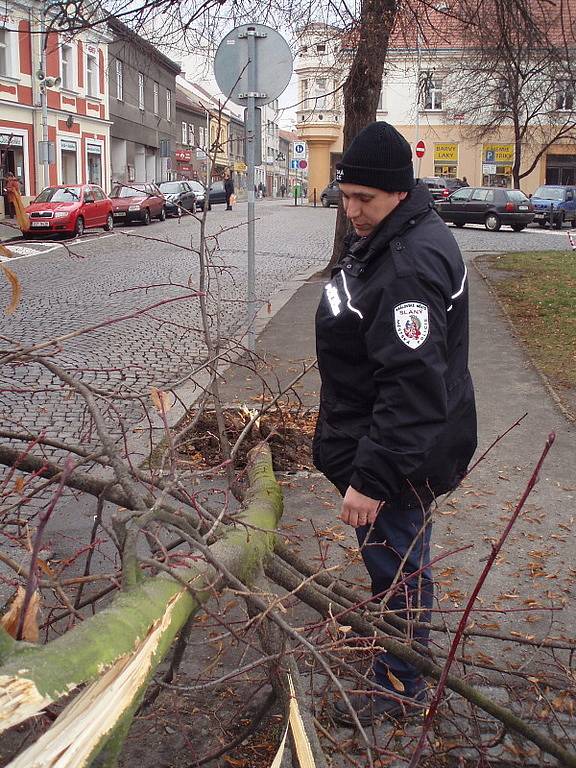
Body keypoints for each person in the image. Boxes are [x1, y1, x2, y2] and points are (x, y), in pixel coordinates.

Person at [313, 121, 477, 726]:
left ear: (399, 195)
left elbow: (411, 392)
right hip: (391, 446)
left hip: (397, 460)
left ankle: (398, 690)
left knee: (399, 571)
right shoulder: (395, 235)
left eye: (364, 200)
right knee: (397, 565)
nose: (351, 210)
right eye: (346, 196)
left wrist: (371, 479)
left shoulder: (408, 264)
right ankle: (395, 663)